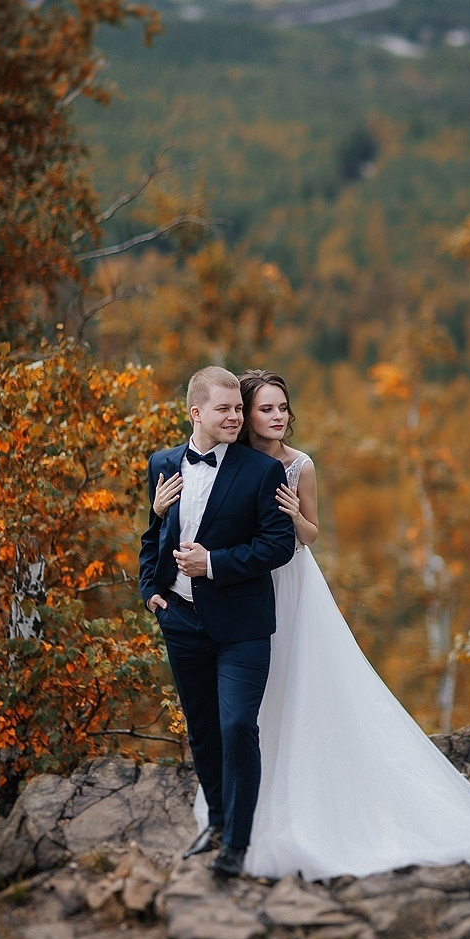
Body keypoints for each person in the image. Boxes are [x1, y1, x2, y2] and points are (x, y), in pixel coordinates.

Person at [187, 368, 470, 908]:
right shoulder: (228, 460)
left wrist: (290, 518)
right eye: (266, 408)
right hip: (242, 583)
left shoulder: (298, 465)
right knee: (249, 702)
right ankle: (241, 810)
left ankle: (303, 800)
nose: (276, 416)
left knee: (297, 680)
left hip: (289, 581)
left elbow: (309, 533)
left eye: (282, 407)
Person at [138, 365, 296, 879]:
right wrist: (150, 591)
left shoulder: (261, 472)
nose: (236, 417)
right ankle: (219, 824)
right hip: (181, 621)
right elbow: (152, 537)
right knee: (204, 731)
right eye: (225, 409)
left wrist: (215, 564)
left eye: (237, 408)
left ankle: (239, 845)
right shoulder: (162, 464)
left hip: (243, 625)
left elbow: (278, 545)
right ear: (196, 413)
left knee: (236, 726)